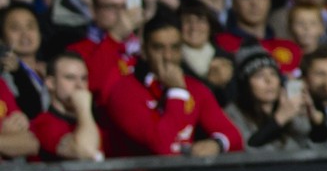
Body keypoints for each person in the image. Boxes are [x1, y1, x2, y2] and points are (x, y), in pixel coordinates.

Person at [99, 17, 246, 157]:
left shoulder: (194, 88)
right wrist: (177, 92)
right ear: (144, 51)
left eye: (175, 47)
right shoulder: (125, 91)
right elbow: (163, 148)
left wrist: (217, 144)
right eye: (159, 48)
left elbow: (235, 137)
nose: (168, 56)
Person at [225, 47, 316, 150]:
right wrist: (280, 118)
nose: (269, 81)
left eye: (273, 74)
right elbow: (247, 148)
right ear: (246, 84)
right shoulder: (232, 113)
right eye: (259, 75)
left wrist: (316, 120)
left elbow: (309, 144)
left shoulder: (286, 105)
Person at [28, 52, 102, 160]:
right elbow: (86, 150)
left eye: (84, 78)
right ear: (51, 83)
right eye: (70, 78)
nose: (79, 85)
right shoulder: (43, 123)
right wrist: (84, 108)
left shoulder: (89, 121)